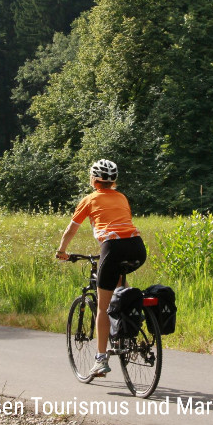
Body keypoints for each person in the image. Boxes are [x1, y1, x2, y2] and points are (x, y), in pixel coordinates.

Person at [56, 159, 147, 377]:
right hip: (137, 248)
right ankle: (132, 324)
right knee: (121, 286)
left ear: (94, 180)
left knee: (103, 307)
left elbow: (71, 228)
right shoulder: (122, 197)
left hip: (113, 248)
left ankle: (100, 359)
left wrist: (61, 250)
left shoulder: (89, 199)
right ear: (114, 181)